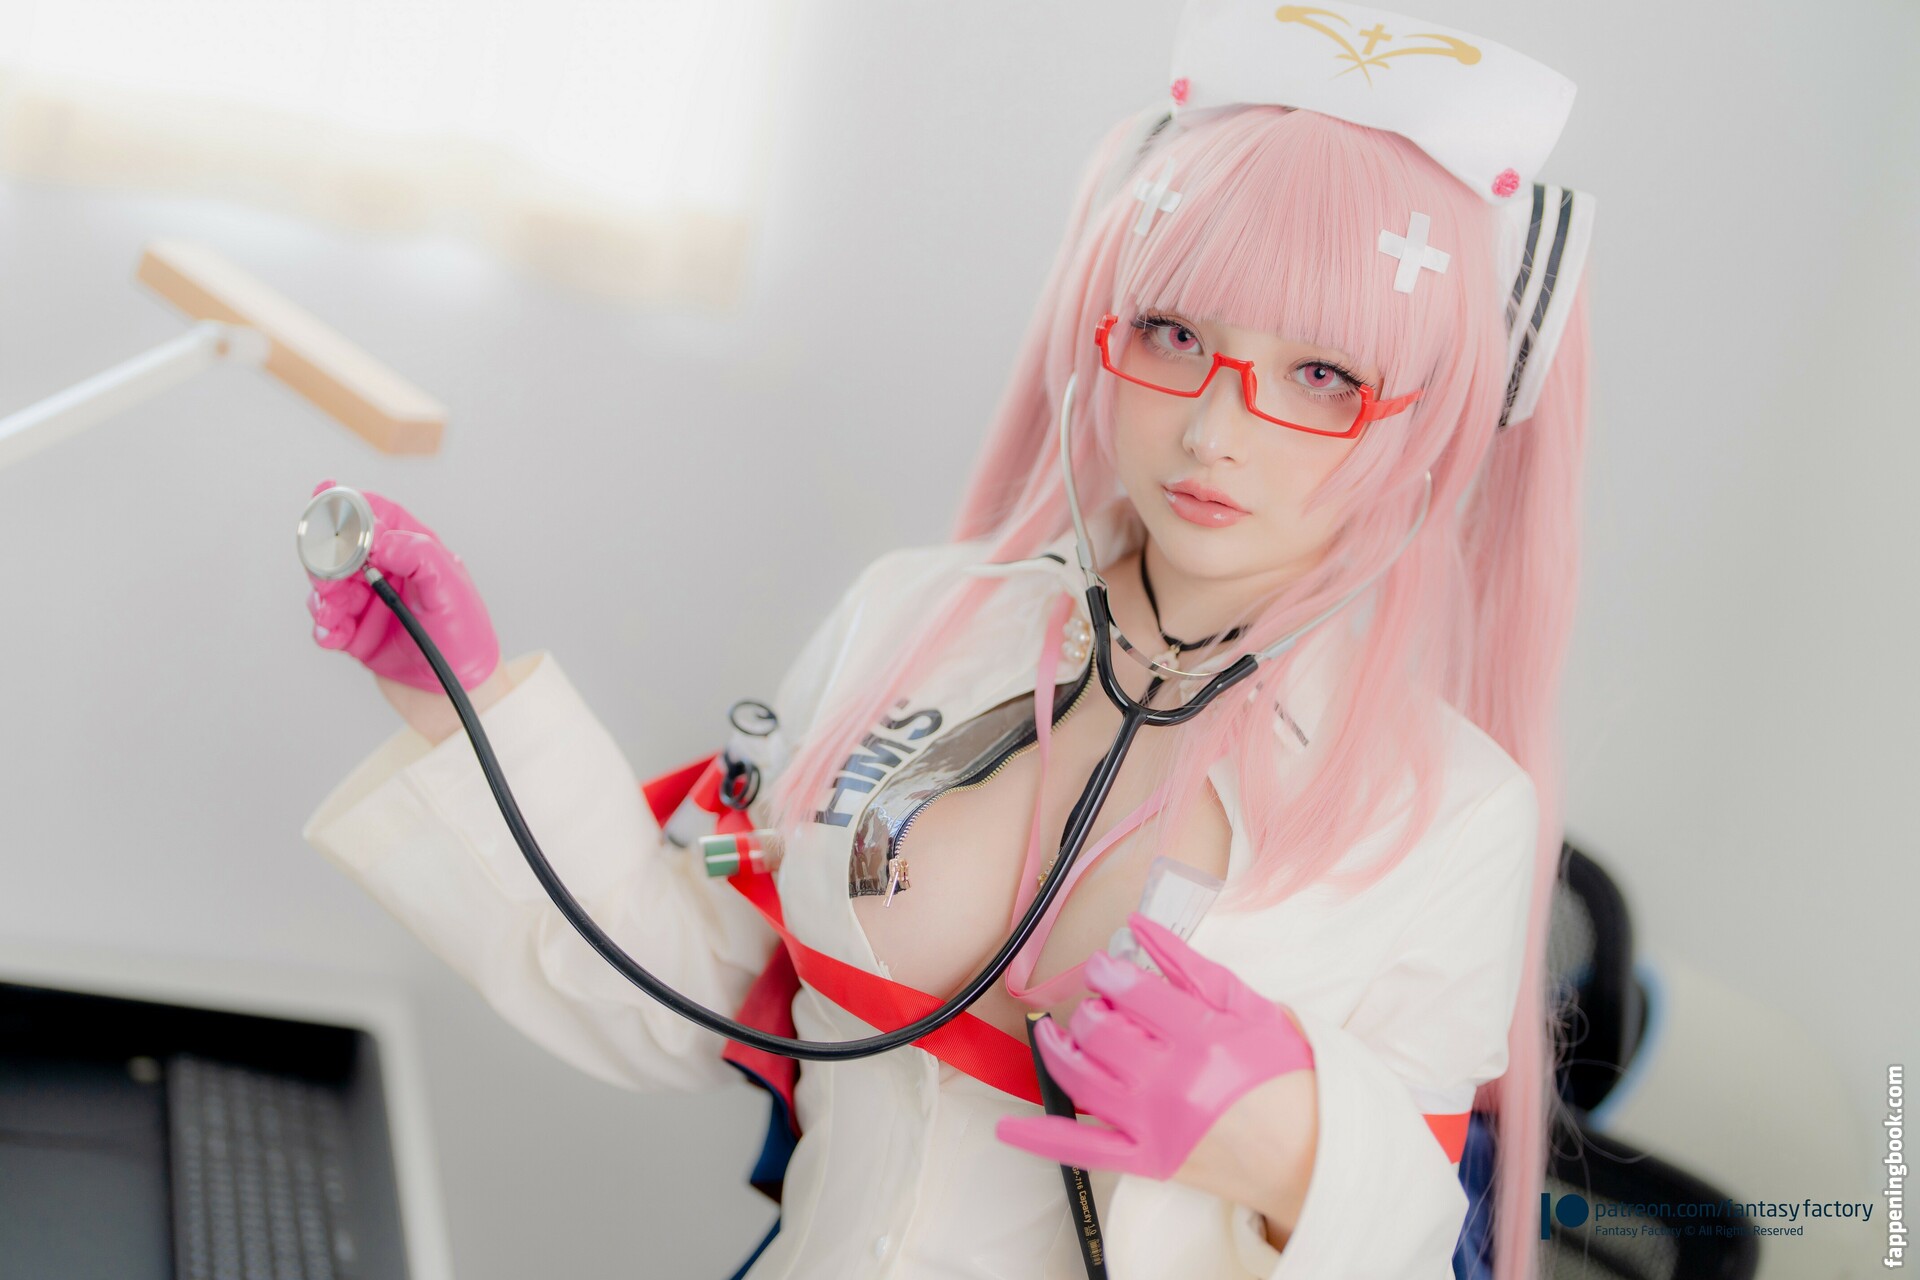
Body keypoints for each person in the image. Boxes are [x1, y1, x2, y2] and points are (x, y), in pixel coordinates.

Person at [300, 4, 1594, 1276]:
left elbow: (1417, 1233)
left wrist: (1293, 1152)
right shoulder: (917, 617)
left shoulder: (1456, 813)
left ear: (1436, 414)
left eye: (1323, 377)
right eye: (1174, 335)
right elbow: (685, 985)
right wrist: (461, 701)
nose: (1214, 431)